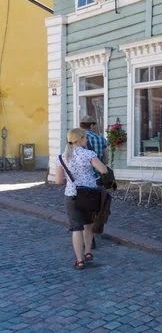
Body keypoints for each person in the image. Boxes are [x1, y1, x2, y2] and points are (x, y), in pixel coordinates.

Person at [55, 128, 108, 270]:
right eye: (85, 138)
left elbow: (58, 181)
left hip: (71, 195)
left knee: (76, 228)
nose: (87, 140)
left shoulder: (61, 157)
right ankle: (88, 252)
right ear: (81, 139)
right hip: (89, 194)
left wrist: (71, 179)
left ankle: (79, 261)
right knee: (88, 224)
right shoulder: (89, 154)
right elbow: (103, 170)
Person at [79, 115, 108, 250]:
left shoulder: (77, 141)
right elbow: (106, 161)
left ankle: (89, 238)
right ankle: (93, 232)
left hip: (82, 180)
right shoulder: (100, 139)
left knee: (84, 210)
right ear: (91, 126)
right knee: (96, 208)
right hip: (98, 179)